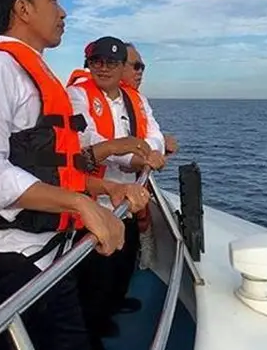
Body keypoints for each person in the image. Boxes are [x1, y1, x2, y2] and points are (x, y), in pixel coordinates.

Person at [0, 0, 150, 350]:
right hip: (10, 259)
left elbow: (49, 165)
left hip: (49, 255)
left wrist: (103, 186)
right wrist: (79, 202)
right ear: (23, 9)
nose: (63, 11)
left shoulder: (33, 71)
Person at [67, 37, 166, 345]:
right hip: (93, 201)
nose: (104, 68)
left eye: (112, 63)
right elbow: (87, 140)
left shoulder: (135, 100)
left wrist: (150, 153)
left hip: (128, 202)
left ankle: (111, 309)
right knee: (94, 275)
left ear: (121, 67)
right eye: (97, 62)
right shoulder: (77, 95)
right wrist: (134, 158)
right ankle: (90, 330)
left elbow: (154, 135)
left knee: (122, 264)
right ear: (89, 64)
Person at [122, 43, 179, 155]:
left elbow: (155, 135)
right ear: (119, 66)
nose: (140, 71)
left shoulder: (140, 100)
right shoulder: (104, 98)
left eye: (142, 68)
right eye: (136, 66)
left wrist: (159, 144)